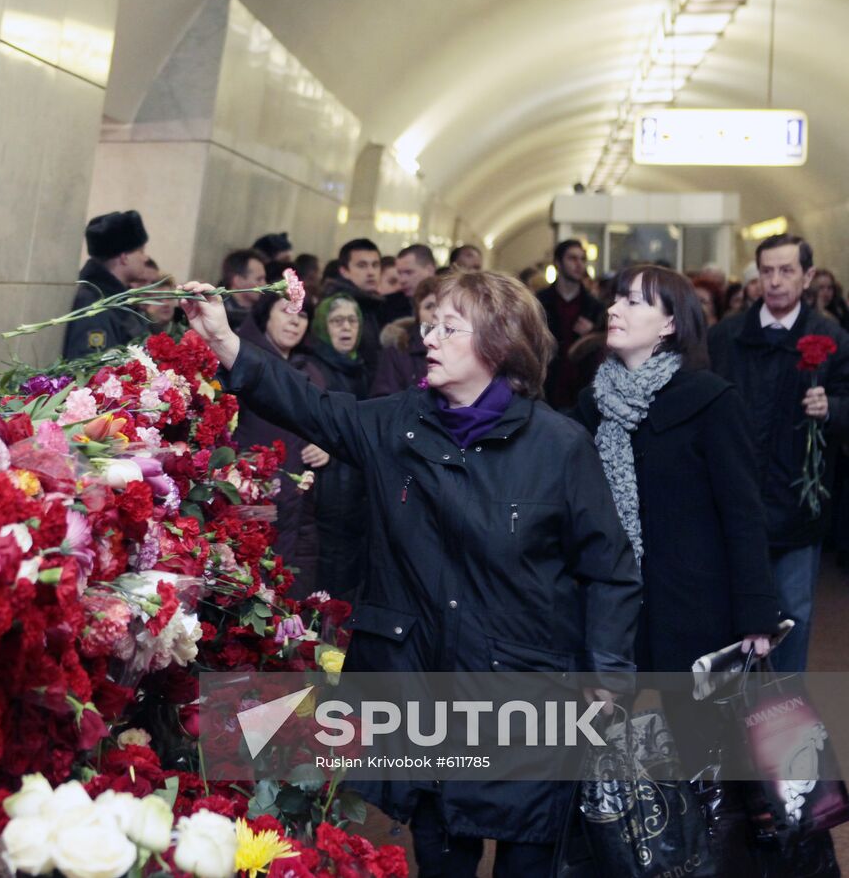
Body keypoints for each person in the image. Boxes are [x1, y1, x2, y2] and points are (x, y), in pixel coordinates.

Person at [180, 271, 640, 878]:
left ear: (499, 345)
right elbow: (309, 405)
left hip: (526, 691)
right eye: (431, 324)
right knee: (441, 852)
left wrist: (607, 679)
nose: (431, 338)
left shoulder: (558, 445)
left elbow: (609, 572)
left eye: (452, 328)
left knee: (530, 855)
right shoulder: (398, 423)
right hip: (425, 687)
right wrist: (224, 341)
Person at [573, 266, 778, 677]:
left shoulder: (710, 400)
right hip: (613, 611)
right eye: (616, 299)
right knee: (601, 735)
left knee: (700, 737)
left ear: (669, 322)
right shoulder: (592, 405)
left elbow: (743, 515)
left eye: (633, 301)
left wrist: (756, 615)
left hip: (693, 609)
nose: (614, 309)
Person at [709, 234, 849, 672]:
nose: (774, 281)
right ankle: (729, 709)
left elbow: (847, 401)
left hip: (797, 501)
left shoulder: (830, 336)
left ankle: (784, 710)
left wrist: (833, 409)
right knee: (729, 609)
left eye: (786, 270)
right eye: (766, 271)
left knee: (793, 611)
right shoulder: (727, 336)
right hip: (733, 500)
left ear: (807, 276)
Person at [234, 293, 321, 593]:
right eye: (286, 311)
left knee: (288, 595)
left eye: (303, 315)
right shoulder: (242, 361)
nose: (295, 320)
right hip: (249, 497)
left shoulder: (312, 373)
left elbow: (330, 428)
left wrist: (326, 448)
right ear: (264, 316)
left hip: (299, 505)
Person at [297, 294, 371, 599]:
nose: (346, 327)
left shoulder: (361, 369)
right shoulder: (312, 367)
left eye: (352, 320)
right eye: (337, 320)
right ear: (322, 327)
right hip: (326, 489)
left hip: (355, 489)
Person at [63, 211, 152, 359]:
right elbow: (90, 368)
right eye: (141, 251)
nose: (145, 258)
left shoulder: (117, 298)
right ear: (124, 258)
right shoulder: (95, 304)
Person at [323, 239, 409, 376]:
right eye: (362, 266)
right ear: (344, 271)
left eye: (375, 265)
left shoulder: (370, 303)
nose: (371, 272)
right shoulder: (337, 306)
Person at [537, 239, 605, 410]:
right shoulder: (539, 301)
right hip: (547, 386)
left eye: (582, 259)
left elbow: (603, 347)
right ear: (558, 263)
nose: (579, 264)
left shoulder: (594, 306)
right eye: (572, 258)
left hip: (582, 387)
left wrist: (592, 335)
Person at [371, 275, 440, 397]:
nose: (435, 313)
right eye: (429, 306)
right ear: (418, 314)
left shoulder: (459, 348)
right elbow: (384, 401)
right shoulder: (398, 350)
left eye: (440, 305)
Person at [219, 249, 268, 330]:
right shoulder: (219, 312)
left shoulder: (264, 312)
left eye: (264, 279)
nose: (265, 284)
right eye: (259, 279)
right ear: (238, 281)